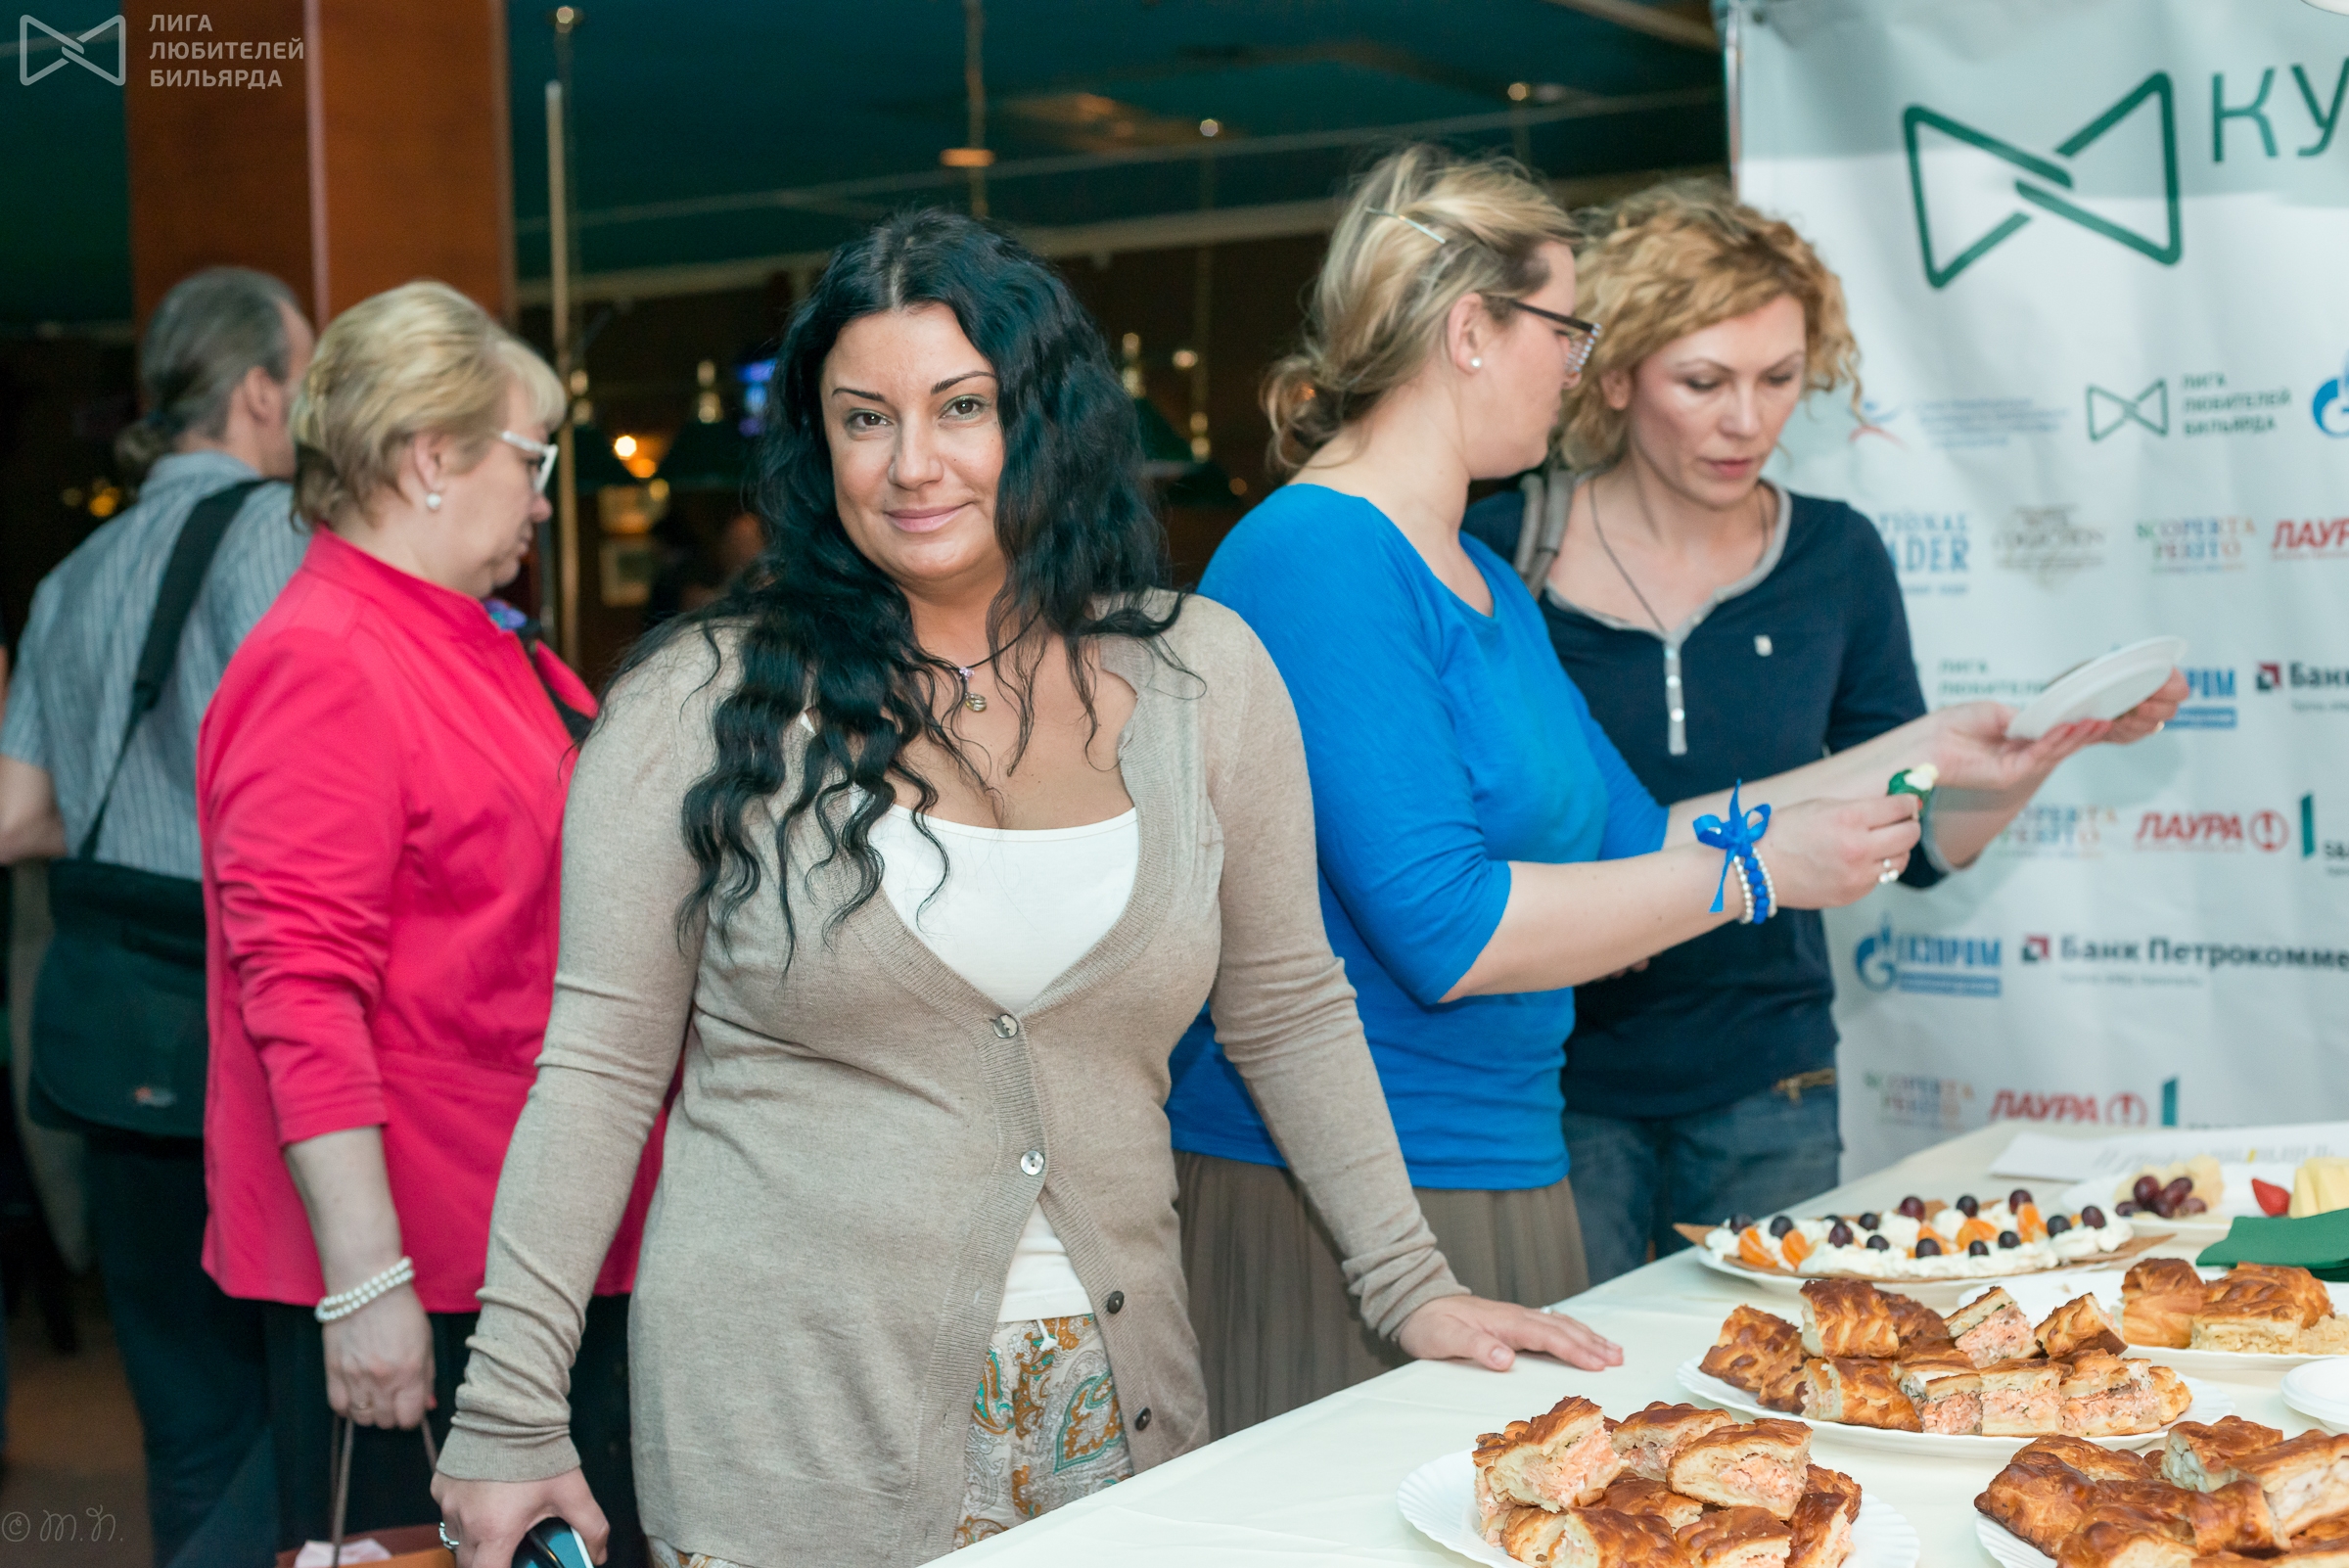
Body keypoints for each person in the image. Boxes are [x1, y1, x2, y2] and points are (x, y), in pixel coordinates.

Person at [430, 209, 1595, 1568]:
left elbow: (1287, 1005)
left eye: (962, 407)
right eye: (864, 420)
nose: (911, 464)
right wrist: (508, 1412)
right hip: (789, 1423)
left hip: (1118, 1406)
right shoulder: (699, 706)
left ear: (1045, 422)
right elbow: (597, 1071)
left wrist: (1410, 1285)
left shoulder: (1202, 679)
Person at [1160, 144, 2101, 1436]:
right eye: (1565, 329)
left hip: (1510, 1161)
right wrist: (1757, 872)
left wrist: (1924, 751)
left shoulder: (1481, 579)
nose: (1575, 366)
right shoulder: (1319, 552)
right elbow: (1449, 929)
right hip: (1346, 1198)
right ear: (1473, 332)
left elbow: (1638, 835)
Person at [1457, 181, 2184, 1284]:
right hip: (1550, 1081)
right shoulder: (1503, 549)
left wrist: (2034, 756)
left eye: (1779, 378)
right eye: (1704, 382)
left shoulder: (1836, 557)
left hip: (1771, 1082)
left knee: (1778, 1373)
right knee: (1562, 1378)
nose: (1747, 421)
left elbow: (1916, 840)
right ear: (1614, 376)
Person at [197, 281, 660, 1562]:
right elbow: (300, 997)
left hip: (524, 1236)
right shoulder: (326, 658)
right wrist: (368, 1287)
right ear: (430, 459)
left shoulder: (471, 640)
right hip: (435, 1258)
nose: (545, 499)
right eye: (532, 459)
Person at [0, 266, 313, 1565]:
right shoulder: (288, 534)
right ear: (261, 392)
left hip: (111, 1033)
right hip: (252, 1030)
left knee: (186, 1427)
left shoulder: (72, 575)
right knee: (304, 1421)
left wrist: (132, 812)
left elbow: (17, 818)